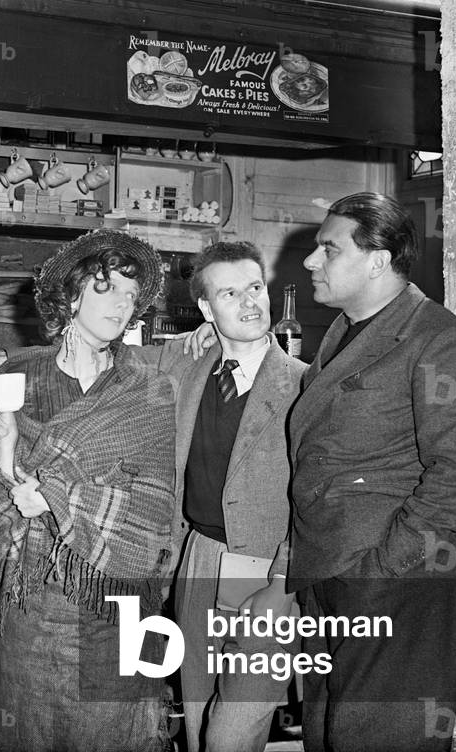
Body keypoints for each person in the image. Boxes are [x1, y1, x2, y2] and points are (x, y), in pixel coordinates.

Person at [287, 192, 456, 751]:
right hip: (336, 566)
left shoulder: (440, 342)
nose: (311, 260)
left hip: (401, 576)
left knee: (382, 738)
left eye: (329, 249)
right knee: (329, 734)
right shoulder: (345, 332)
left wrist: (382, 568)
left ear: (378, 260)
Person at [0, 229, 176, 752]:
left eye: (131, 295)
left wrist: (58, 496)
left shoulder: (149, 388)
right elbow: (2, 489)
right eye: (108, 288)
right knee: (30, 733)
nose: (122, 304)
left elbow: (152, 506)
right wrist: (6, 440)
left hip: (115, 602)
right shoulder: (19, 374)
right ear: (71, 295)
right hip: (36, 594)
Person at [156, 242, 306, 752]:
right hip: (198, 557)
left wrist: (283, 581)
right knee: (198, 718)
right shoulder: (189, 371)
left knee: (231, 733)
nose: (249, 303)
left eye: (255, 287)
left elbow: (317, 498)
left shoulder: (305, 385)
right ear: (205, 308)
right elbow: (110, 355)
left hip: (265, 569)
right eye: (229, 294)